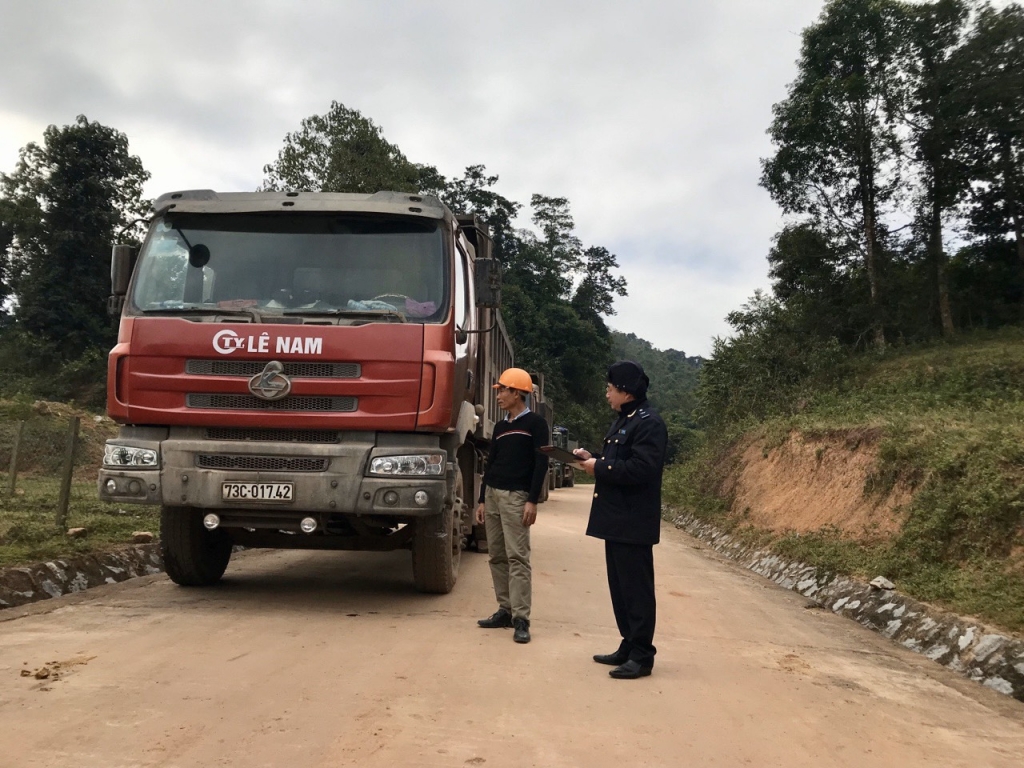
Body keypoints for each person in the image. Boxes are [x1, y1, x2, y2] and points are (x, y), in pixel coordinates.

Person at [574, 361, 667, 679]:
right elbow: (615, 461)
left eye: (610, 389)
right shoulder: (623, 421)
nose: (607, 394)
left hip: (633, 521)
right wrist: (591, 460)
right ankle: (628, 644)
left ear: (626, 392)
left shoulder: (649, 423)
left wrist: (598, 468)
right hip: (615, 519)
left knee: (637, 590)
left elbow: (643, 469)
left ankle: (642, 656)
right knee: (620, 587)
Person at [474, 367, 550, 644]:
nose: (499, 396)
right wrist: (482, 499)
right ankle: (504, 610)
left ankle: (521, 618)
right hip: (494, 494)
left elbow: (541, 463)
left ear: (517, 393)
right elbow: (490, 464)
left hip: (516, 497)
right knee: (496, 555)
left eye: (503, 390)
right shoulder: (501, 426)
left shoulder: (536, 425)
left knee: (518, 557)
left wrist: (532, 500)